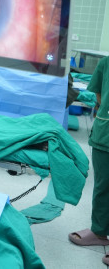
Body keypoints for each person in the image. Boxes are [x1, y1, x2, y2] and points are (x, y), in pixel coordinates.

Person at [68, 57, 109, 267]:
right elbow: (100, 96)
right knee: (102, 186)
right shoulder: (106, 64)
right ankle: (99, 231)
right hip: (105, 134)